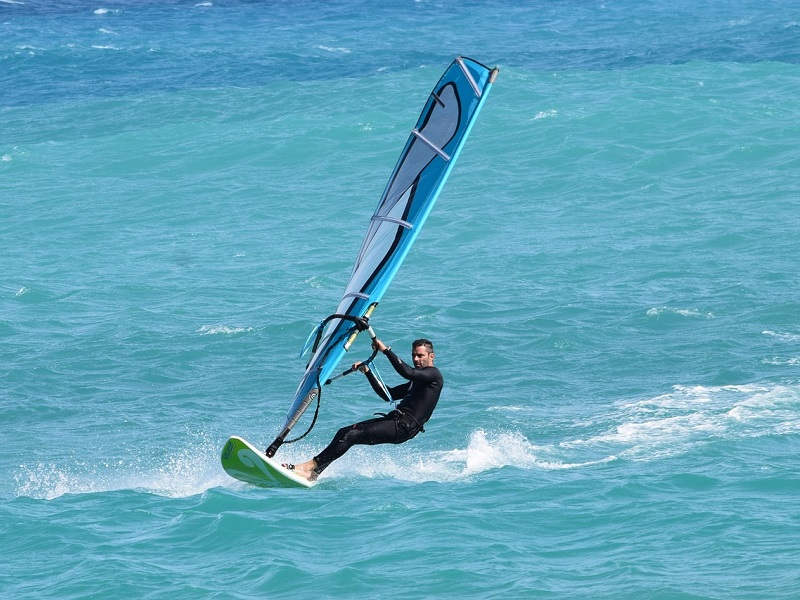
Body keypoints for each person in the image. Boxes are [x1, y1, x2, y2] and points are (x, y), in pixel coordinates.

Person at [286, 337, 443, 482]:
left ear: (431, 357)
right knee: (344, 432)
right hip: (396, 421)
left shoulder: (434, 375)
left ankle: (307, 467)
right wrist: (368, 372)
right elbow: (388, 394)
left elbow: (407, 372)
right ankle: (314, 473)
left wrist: (386, 350)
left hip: (404, 426)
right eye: (414, 355)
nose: (416, 359)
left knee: (351, 434)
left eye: (420, 356)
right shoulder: (416, 381)